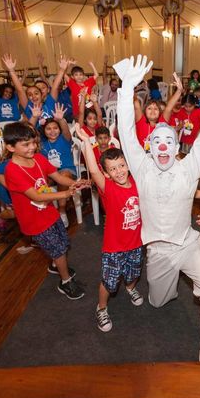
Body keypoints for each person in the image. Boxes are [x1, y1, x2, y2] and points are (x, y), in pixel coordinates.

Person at [115, 55, 200, 362]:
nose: (165, 147)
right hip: (157, 251)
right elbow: (126, 130)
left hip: (188, 244)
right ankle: (199, 290)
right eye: (158, 142)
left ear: (177, 146)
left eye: (170, 141)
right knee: (158, 302)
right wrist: (127, 85)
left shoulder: (188, 167)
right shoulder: (140, 167)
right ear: (150, 147)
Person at [3, 123, 89, 299]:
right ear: (10, 147)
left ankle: (55, 265)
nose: (33, 147)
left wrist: (74, 183)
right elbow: (36, 196)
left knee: (63, 242)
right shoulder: (12, 171)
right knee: (58, 249)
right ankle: (65, 282)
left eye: (33, 142)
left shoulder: (38, 159)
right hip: (34, 220)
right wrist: (66, 193)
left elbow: (57, 177)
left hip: (49, 213)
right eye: (25, 145)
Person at [78, 130, 144, 332]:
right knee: (109, 281)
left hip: (137, 243)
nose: (119, 171)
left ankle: (131, 289)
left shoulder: (138, 183)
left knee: (133, 273)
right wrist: (87, 143)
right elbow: (93, 169)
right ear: (106, 174)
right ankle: (102, 307)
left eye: (122, 166)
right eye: (113, 169)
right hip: (114, 247)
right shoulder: (108, 188)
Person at [39, 111, 76, 228]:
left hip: (67, 171)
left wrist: (61, 120)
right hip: (50, 174)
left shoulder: (64, 139)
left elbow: (66, 130)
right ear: (44, 131)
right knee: (39, 182)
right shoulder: (42, 144)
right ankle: (46, 214)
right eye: (48, 129)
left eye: (55, 128)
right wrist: (35, 118)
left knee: (63, 176)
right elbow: (30, 133)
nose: (52, 131)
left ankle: (62, 210)